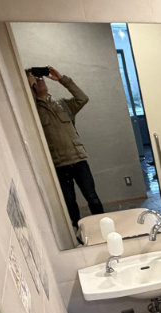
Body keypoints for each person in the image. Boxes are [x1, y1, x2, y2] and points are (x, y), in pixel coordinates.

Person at [29, 66, 104, 229]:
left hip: (78, 159)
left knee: (92, 197)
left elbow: (82, 98)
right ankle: (77, 232)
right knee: (69, 203)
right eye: (36, 79)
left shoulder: (63, 105)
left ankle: (103, 227)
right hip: (59, 165)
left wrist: (62, 79)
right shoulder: (33, 111)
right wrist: (27, 85)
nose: (40, 81)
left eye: (41, 78)